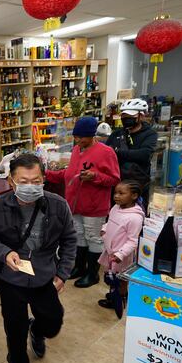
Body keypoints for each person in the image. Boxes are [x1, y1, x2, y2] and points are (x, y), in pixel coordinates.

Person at [0, 153, 76, 363]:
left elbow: (69, 240)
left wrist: (63, 273)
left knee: (53, 321)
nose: (30, 186)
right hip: (11, 279)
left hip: (44, 276)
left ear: (43, 179)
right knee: (15, 331)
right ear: (12, 181)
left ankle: (38, 330)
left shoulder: (57, 205)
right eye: (24, 180)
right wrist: (5, 252)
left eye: (36, 180)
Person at [46, 116, 120, 288]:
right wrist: (47, 174)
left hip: (94, 206)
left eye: (82, 137)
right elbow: (69, 174)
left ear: (92, 135)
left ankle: (92, 273)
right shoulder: (76, 150)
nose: (78, 140)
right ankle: (79, 267)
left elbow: (114, 179)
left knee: (93, 238)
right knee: (78, 236)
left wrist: (95, 176)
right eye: (76, 137)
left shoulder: (106, 152)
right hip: (74, 205)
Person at [98, 181, 144, 319]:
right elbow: (110, 221)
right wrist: (105, 229)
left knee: (121, 278)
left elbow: (133, 240)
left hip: (122, 255)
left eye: (121, 193)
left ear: (134, 195)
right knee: (111, 275)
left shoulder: (135, 218)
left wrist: (120, 254)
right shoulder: (115, 208)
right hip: (110, 252)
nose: (116, 196)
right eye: (115, 193)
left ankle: (120, 297)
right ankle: (114, 293)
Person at [106, 99, 158, 209]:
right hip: (116, 184)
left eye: (130, 116)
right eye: (124, 116)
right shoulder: (117, 134)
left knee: (136, 214)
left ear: (141, 116)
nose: (126, 119)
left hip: (137, 185)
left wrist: (118, 152)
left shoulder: (150, 134)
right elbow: (107, 153)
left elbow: (144, 155)